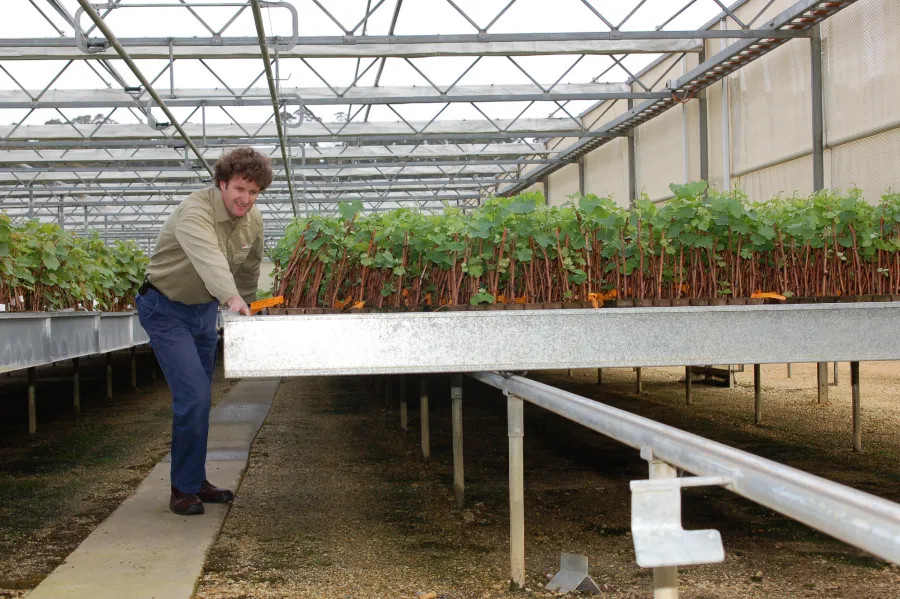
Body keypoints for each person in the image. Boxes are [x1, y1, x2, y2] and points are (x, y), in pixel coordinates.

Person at [136, 146, 272, 515]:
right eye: (239, 188)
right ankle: (182, 488)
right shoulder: (194, 211)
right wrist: (231, 297)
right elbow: (209, 259)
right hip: (165, 308)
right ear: (222, 184)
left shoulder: (253, 219)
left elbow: (250, 266)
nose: (246, 198)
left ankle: (194, 480)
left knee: (199, 398)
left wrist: (247, 305)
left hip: (203, 312)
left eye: (254, 192)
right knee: (194, 396)